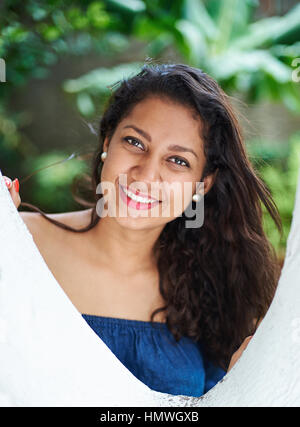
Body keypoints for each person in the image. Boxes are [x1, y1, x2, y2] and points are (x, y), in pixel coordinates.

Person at [2, 62, 282, 397]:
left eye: (178, 161)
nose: (146, 176)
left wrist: (243, 389)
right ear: (108, 142)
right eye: (135, 142)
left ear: (203, 184)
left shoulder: (212, 285)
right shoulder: (17, 245)